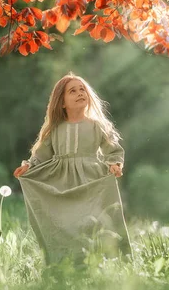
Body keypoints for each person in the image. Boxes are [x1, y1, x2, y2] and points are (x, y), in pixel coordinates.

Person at [14, 72, 133, 266]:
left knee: (94, 221)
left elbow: (113, 150)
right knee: (68, 223)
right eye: (72, 91)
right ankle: (70, 262)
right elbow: (41, 155)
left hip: (92, 180)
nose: (79, 93)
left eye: (82, 89)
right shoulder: (54, 128)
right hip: (62, 181)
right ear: (61, 102)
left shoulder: (98, 126)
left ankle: (105, 260)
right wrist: (28, 165)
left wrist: (115, 164)